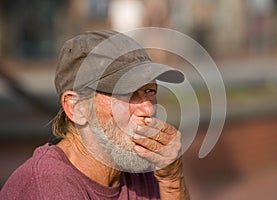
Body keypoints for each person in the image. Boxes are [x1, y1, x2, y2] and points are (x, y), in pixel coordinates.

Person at [0, 30, 190, 199]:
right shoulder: (48, 184)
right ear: (76, 107)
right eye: (128, 93)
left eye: (150, 91)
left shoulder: (143, 173)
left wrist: (172, 182)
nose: (148, 109)